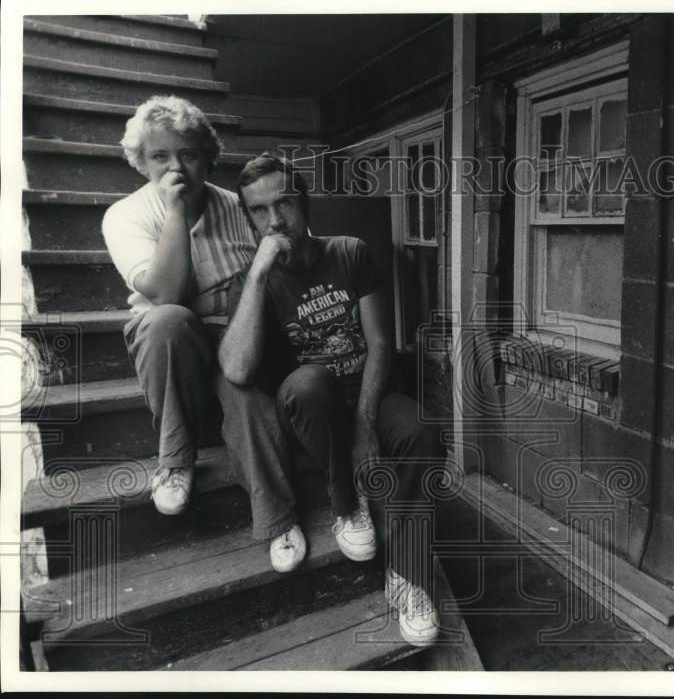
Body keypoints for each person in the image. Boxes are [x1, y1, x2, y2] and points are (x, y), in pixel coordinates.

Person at [219, 153, 443, 647]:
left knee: (422, 431)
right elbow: (236, 369)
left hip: (366, 389)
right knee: (308, 383)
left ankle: (409, 578)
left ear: (305, 203)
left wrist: (365, 425)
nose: (275, 220)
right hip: (309, 405)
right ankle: (348, 505)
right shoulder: (251, 282)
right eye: (259, 211)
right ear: (249, 218)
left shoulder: (349, 251)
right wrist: (257, 276)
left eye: (285, 203)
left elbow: (380, 344)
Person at [102, 96, 305, 574]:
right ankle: (175, 459)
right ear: (140, 162)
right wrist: (175, 214)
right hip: (176, 347)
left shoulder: (237, 205)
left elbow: (275, 272)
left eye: (188, 154)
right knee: (166, 319)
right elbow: (167, 294)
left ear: (208, 155)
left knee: (246, 393)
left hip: (237, 331)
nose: (177, 166)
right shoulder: (126, 216)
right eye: (160, 156)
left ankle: (278, 518)